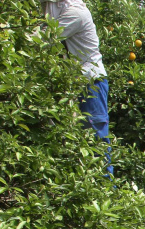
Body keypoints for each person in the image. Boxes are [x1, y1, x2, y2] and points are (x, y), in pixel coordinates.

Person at [40, 0, 112, 175]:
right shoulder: (56, 6)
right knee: (76, 136)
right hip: (73, 82)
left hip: (92, 82)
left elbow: (44, 38)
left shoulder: (75, 13)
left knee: (96, 138)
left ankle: (107, 188)